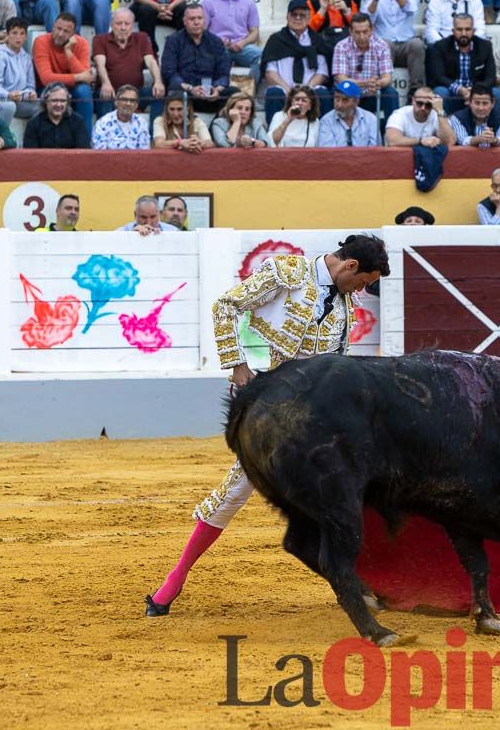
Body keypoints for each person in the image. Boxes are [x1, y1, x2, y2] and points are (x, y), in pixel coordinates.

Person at [145, 234, 389, 617]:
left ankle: (365, 583)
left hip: (316, 417)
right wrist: (238, 363)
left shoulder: (345, 306)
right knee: (236, 490)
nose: (361, 291)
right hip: (268, 408)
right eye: (362, 282)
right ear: (350, 266)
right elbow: (226, 306)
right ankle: (173, 580)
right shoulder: (286, 273)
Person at [261, 0, 332, 122]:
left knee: (323, 93)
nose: (298, 18)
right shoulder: (276, 40)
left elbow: (322, 72)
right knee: (274, 93)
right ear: (287, 17)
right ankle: (273, 136)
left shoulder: (317, 41)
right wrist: (290, 91)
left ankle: (323, 136)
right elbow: (270, 72)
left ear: (309, 17)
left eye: (302, 15)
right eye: (294, 14)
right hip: (285, 88)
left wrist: (306, 91)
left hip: (310, 89)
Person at [364, 0, 425, 92]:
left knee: (417, 44)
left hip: (406, 45)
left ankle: (416, 91)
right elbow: (367, 20)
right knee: (386, 44)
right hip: (383, 46)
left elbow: (411, 10)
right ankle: (386, 90)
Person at [160, 3, 235, 115]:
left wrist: (216, 90)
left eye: (199, 18)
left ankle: (215, 126)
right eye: (192, 19)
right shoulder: (173, 41)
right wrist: (191, 89)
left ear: (204, 20)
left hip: (210, 94)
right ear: (184, 22)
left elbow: (224, 73)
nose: (196, 22)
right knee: (174, 92)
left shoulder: (215, 42)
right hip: (186, 93)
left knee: (235, 94)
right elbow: (169, 73)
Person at [93, 7, 165, 117]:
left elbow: (151, 62)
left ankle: (154, 133)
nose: (123, 28)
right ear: (111, 24)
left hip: (135, 94)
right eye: (118, 23)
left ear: (132, 26)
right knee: (105, 96)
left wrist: (158, 82)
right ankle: (105, 133)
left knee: (158, 93)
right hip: (111, 93)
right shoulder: (100, 39)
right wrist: (105, 83)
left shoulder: (142, 38)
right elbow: (100, 64)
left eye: (127, 24)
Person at [33, 11, 95, 134]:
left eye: (66, 31)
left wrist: (69, 52)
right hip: (47, 89)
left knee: (84, 91)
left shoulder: (82, 43)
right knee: (79, 89)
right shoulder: (41, 41)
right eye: (58, 28)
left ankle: (85, 143)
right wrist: (77, 77)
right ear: (53, 27)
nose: (60, 34)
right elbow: (46, 79)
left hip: (72, 89)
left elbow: (86, 78)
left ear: (73, 34)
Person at [202, 0, 262, 85]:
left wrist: (242, 43)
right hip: (217, 47)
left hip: (242, 47)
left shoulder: (248, 3)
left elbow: (255, 33)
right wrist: (217, 41)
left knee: (264, 57)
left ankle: (252, 92)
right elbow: (201, 31)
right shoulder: (208, 2)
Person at [426, 12, 499, 113]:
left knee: (498, 94)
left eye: (468, 29)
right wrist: (460, 89)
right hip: (452, 92)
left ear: (473, 31)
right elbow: (438, 77)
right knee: (440, 92)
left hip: (478, 92)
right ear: (453, 31)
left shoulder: (485, 46)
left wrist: (475, 90)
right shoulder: (441, 46)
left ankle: (498, 128)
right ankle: (441, 126)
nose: (464, 33)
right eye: (459, 29)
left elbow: (491, 77)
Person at [331, 12, 397, 118]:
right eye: (357, 32)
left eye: (365, 32)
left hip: (372, 94)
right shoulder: (341, 46)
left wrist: (377, 83)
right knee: (337, 90)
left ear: (371, 30)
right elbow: (341, 79)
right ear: (350, 32)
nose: (362, 37)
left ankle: (392, 129)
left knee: (390, 93)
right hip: (348, 94)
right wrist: (366, 83)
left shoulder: (382, 46)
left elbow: (387, 77)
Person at [0, 17, 40, 123]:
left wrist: (30, 94)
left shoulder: (26, 57)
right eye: (14, 33)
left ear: (26, 37)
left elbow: (30, 86)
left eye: (22, 34)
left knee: (42, 105)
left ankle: (32, 138)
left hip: (18, 100)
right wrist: (8, 95)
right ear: (7, 35)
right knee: (9, 106)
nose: (18, 37)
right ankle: (0, 137)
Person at [24, 83, 92, 148]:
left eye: (63, 101)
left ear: (67, 102)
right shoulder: (33, 124)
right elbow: (30, 156)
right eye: (54, 100)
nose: (59, 104)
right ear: (46, 101)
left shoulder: (77, 122)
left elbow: (84, 152)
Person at [385, 85, 457, 146]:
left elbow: (450, 141)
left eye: (428, 105)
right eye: (419, 103)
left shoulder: (437, 114)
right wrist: (421, 141)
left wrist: (440, 111)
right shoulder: (400, 114)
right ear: (413, 101)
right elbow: (392, 140)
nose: (423, 108)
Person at [318, 79, 380, 147]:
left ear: (356, 101)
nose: (339, 105)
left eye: (345, 100)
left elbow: (375, 150)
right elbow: (328, 152)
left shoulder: (371, 120)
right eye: (337, 99)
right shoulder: (326, 121)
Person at [448, 83, 500, 147]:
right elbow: (463, 141)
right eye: (477, 103)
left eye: (485, 103)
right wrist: (479, 139)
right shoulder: (457, 118)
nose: (481, 108)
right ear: (469, 102)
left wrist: (494, 140)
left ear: (493, 103)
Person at [93, 84, 152, 150]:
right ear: (116, 102)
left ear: (136, 105)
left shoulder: (141, 123)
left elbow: (144, 152)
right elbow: (99, 153)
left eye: (132, 101)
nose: (128, 104)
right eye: (124, 99)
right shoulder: (103, 123)